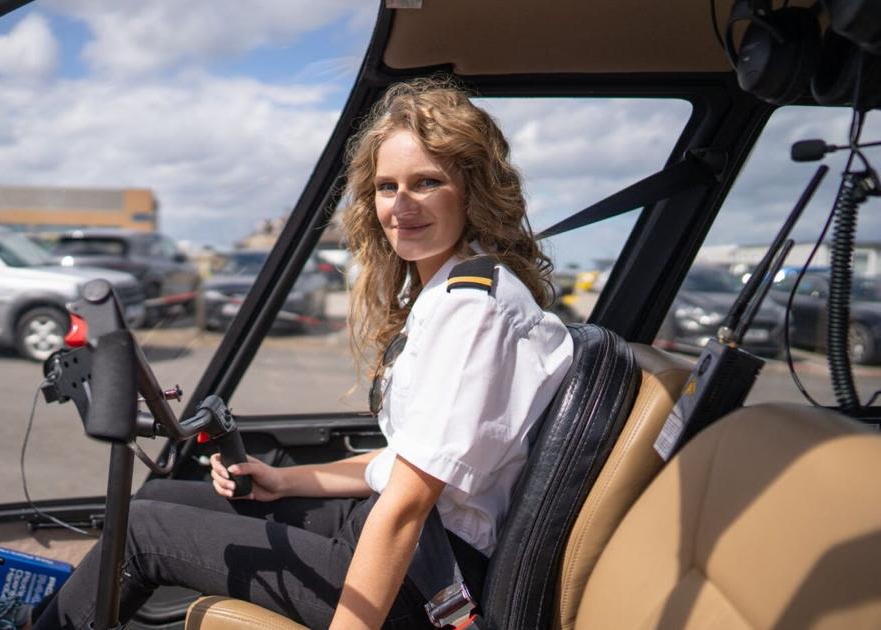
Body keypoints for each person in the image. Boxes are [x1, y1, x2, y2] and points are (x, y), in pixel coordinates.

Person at [34, 77, 573, 630]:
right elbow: (412, 461)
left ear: (472, 191)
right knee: (162, 497)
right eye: (387, 187)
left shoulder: (474, 309)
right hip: (408, 537)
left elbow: (409, 503)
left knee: (142, 533)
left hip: (430, 581)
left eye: (427, 182)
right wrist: (284, 479)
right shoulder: (451, 290)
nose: (401, 206)